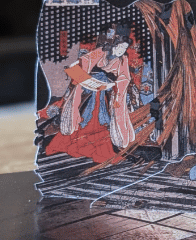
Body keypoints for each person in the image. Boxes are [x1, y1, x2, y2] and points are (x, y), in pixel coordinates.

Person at [46, 31, 135, 163]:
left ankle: (99, 144)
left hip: (107, 91)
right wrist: (82, 73)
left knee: (104, 117)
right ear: (114, 45)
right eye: (120, 47)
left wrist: (114, 85)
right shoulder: (101, 51)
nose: (122, 50)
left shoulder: (123, 59)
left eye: (124, 48)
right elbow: (85, 61)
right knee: (81, 112)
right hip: (88, 88)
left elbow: (125, 78)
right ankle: (74, 140)